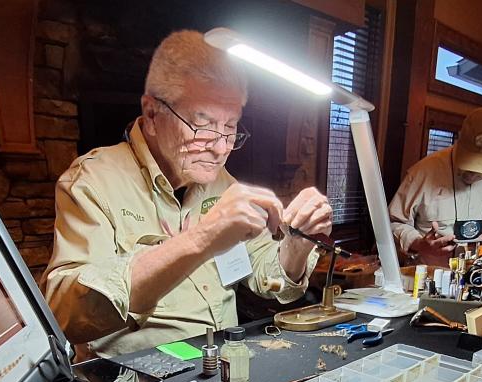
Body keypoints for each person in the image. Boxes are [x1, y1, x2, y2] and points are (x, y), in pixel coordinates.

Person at [43, 31, 330, 357]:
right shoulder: (93, 181)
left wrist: (296, 245)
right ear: (152, 115)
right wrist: (200, 239)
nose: (221, 148)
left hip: (223, 363)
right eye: (202, 125)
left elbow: (270, 283)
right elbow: (64, 315)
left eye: (231, 127)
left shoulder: (220, 181)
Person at [389, 106, 482, 267]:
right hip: (431, 271)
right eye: (467, 165)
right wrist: (419, 243)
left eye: (481, 170)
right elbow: (393, 222)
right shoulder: (423, 171)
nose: (471, 175)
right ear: (459, 137)